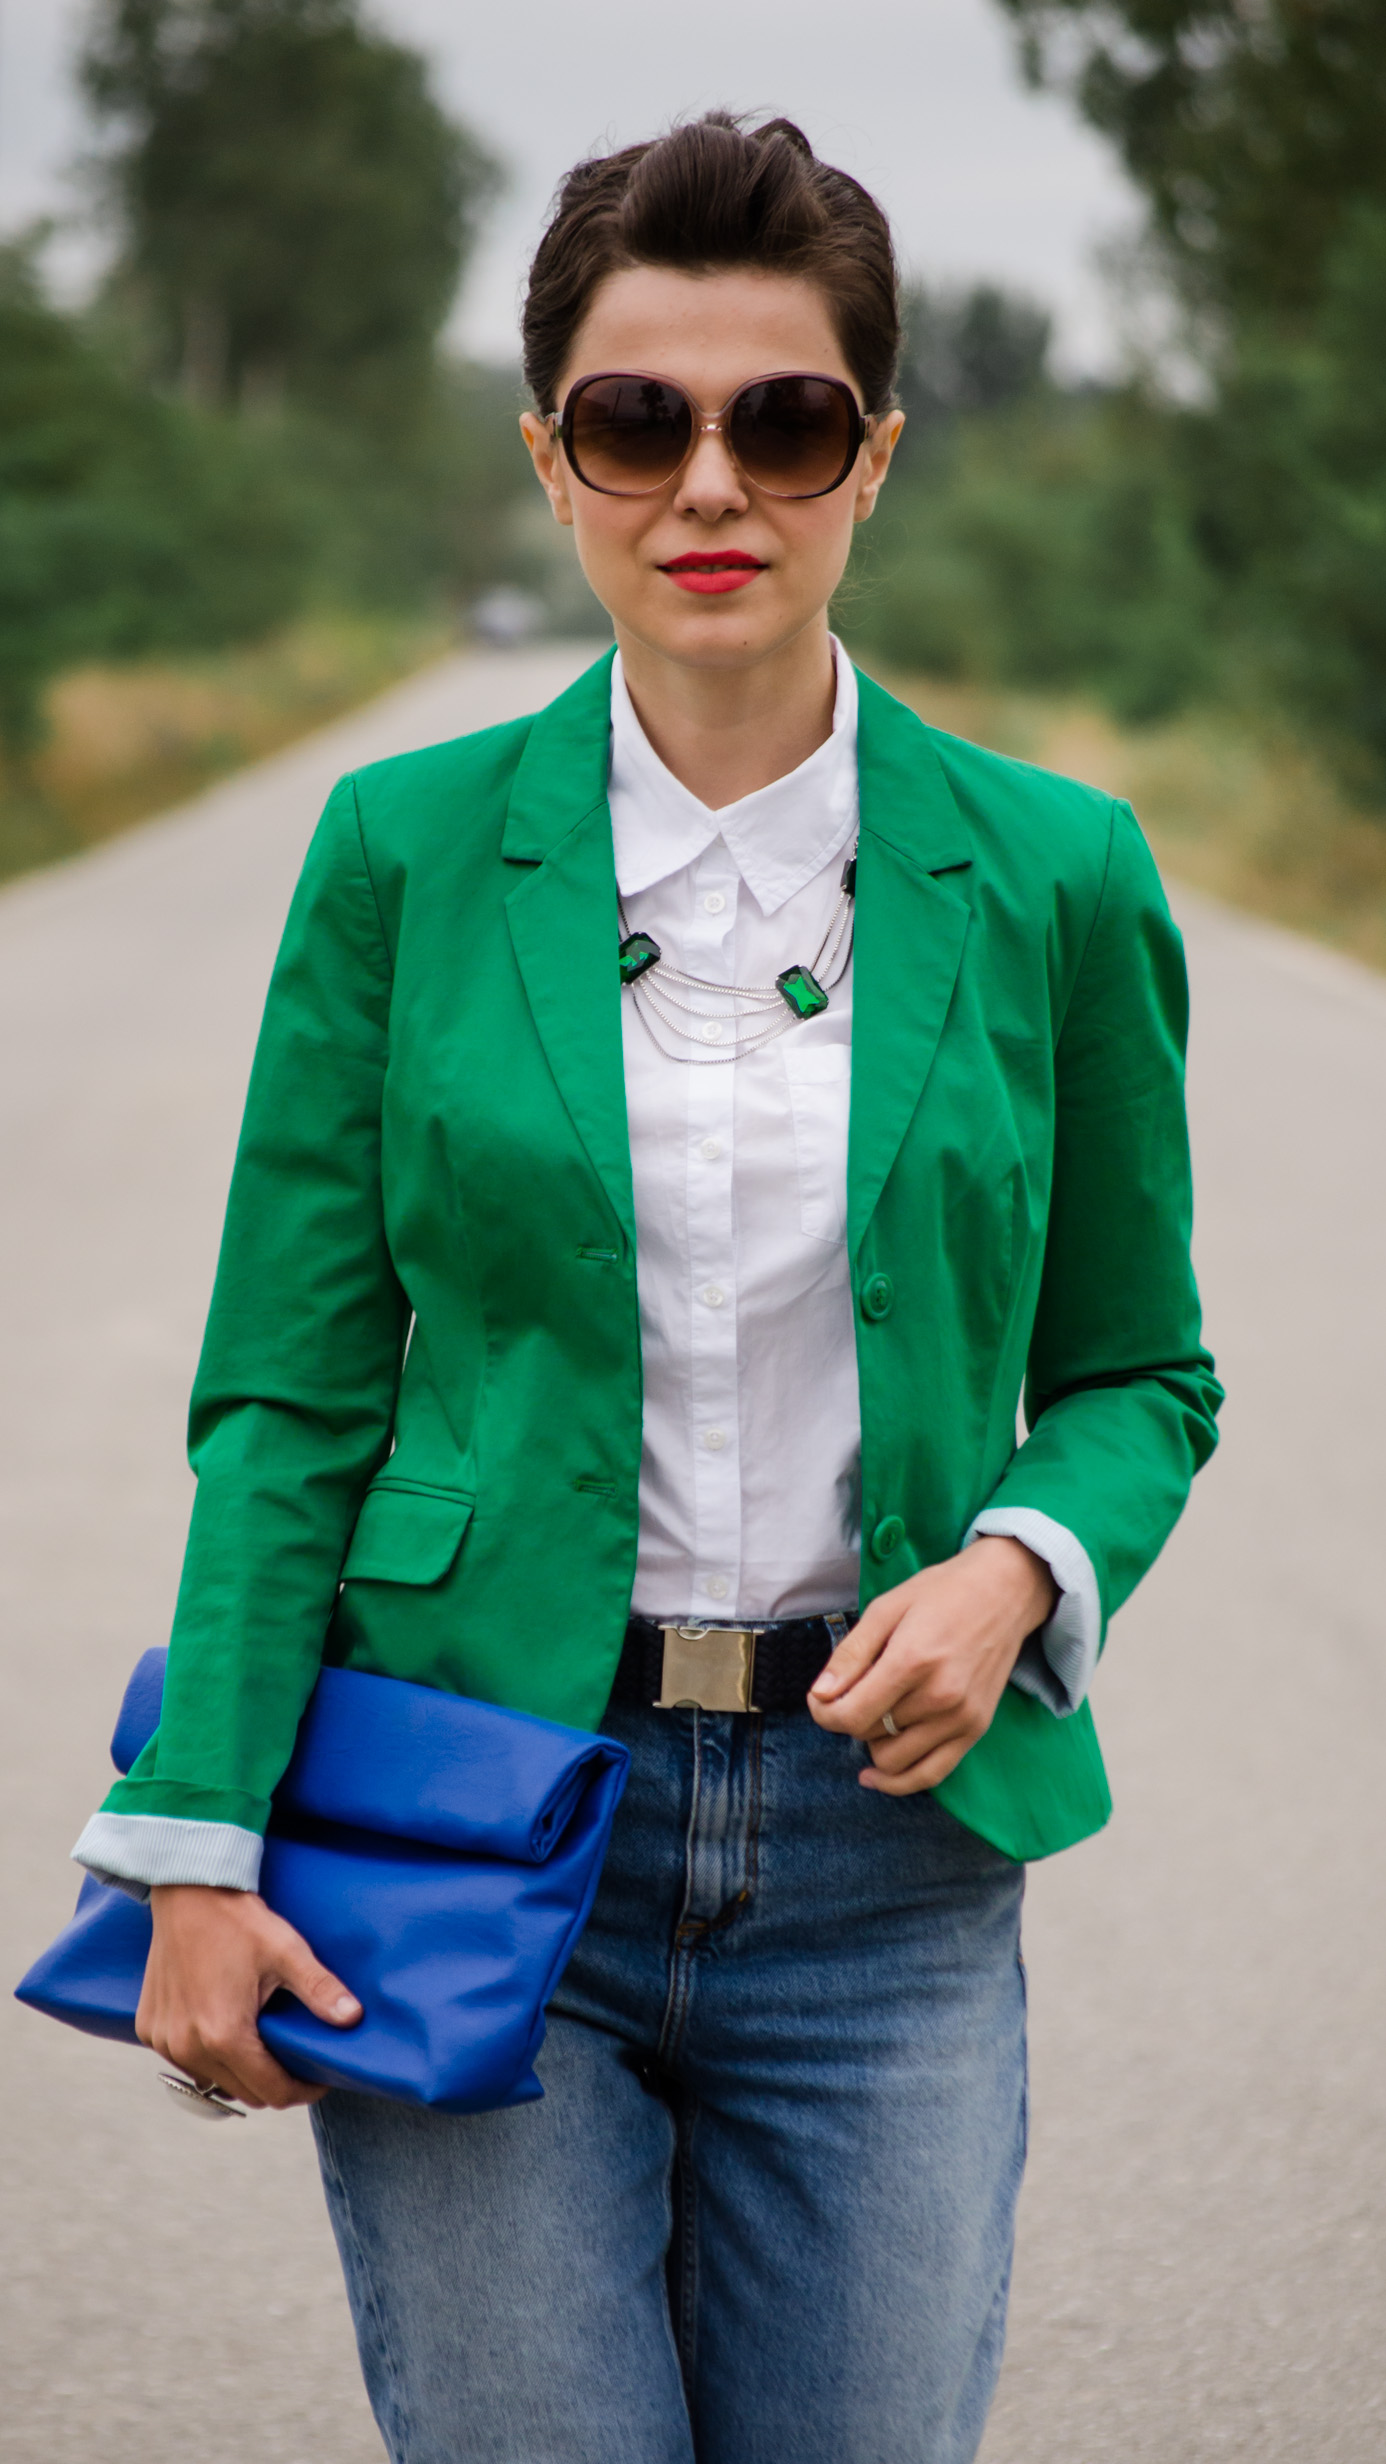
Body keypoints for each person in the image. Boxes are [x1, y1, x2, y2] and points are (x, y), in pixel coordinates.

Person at [72, 112, 1221, 2464]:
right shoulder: (396, 854)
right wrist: (194, 1842)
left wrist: (1019, 1566)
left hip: (884, 1861)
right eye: (638, 419)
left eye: (783, 419)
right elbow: (289, 1397)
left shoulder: (1058, 875)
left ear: (874, 457)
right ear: (555, 455)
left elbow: (1139, 1369)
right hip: (480, 1804)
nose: (714, 480)